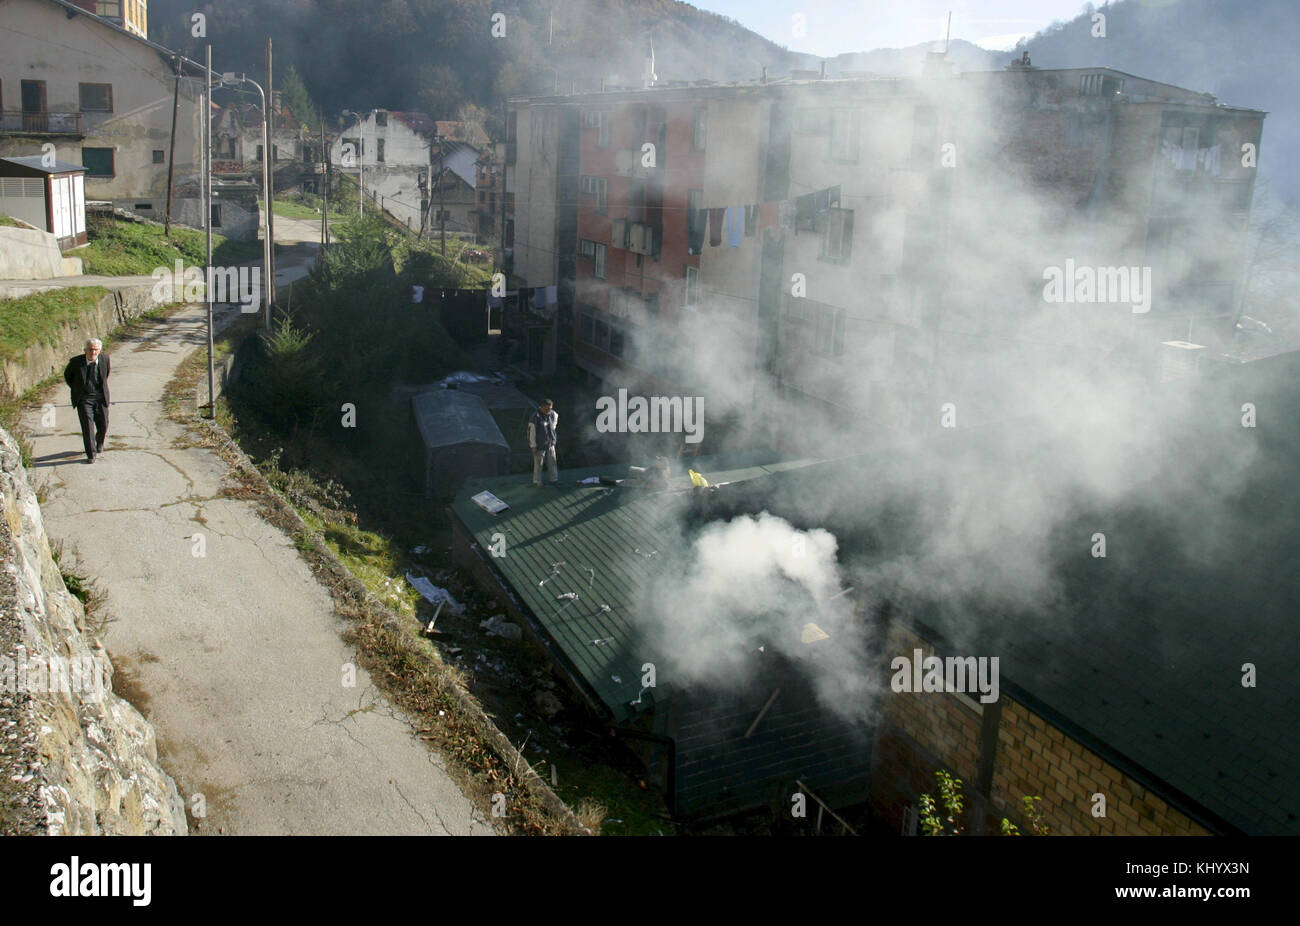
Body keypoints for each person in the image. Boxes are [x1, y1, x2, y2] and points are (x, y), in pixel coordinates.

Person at [64, 338, 110, 464]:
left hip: (100, 398)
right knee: (88, 427)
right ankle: (91, 454)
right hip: (84, 399)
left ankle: (99, 442)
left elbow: (106, 375)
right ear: (85, 350)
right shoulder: (75, 363)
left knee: (104, 424)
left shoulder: (105, 359)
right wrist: (77, 389)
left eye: (95, 350)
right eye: (90, 350)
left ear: (99, 350)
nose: (93, 352)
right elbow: (68, 377)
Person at [528, 399, 559, 486]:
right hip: (539, 444)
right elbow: (531, 432)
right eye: (546, 409)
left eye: (550, 408)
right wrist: (533, 445)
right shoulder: (535, 417)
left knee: (552, 462)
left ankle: (554, 479)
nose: (549, 411)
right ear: (541, 407)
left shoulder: (553, 414)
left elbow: (554, 424)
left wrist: (551, 434)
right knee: (538, 464)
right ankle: (537, 481)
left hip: (550, 443)